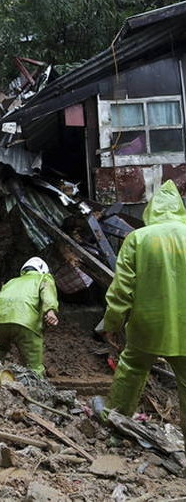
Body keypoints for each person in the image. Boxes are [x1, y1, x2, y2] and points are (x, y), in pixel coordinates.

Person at [98, 180, 186, 438]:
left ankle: (115, 425)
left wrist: (112, 324)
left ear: (152, 210)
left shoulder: (138, 238)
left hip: (146, 325)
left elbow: (121, 289)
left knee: (132, 369)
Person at [0, 257, 59, 377]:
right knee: (34, 366)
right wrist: (50, 310)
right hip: (26, 321)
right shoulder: (43, 278)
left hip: (0, 320)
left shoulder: (12, 281)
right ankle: (37, 388)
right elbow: (47, 293)